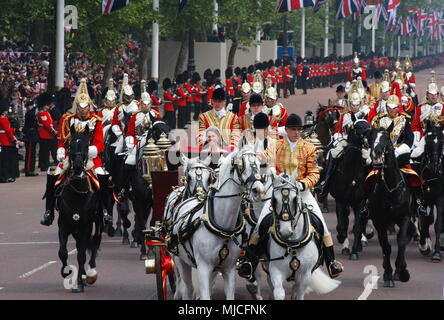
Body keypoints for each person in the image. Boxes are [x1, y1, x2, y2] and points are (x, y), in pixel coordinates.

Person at [238, 113, 344, 280]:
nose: (296, 132)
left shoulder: (309, 147)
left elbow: (315, 173)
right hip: (278, 192)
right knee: (260, 224)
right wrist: (262, 166)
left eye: (299, 129)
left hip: (302, 193)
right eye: (293, 129)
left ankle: (332, 262)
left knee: (321, 224)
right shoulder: (276, 146)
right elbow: (260, 160)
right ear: (286, 130)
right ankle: (249, 262)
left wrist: (303, 184)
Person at [40, 79, 111, 226]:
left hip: (91, 159)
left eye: (85, 107)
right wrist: (61, 150)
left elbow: (99, 143)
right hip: (70, 157)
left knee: (103, 178)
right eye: (80, 106)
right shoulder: (68, 119)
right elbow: (62, 139)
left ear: (89, 106)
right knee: (53, 175)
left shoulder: (96, 121)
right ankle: (49, 212)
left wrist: (92, 151)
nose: (83, 110)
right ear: (77, 106)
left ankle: (105, 211)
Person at [369, 95, 427, 216]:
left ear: (398, 108)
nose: (391, 110)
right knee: (369, 175)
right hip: (381, 155)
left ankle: (418, 202)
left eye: (394, 107)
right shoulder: (378, 120)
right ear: (386, 107)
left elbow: (409, 140)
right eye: (389, 107)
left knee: (413, 175)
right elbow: (373, 138)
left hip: (399, 155)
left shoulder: (404, 119)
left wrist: (398, 151)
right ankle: (366, 203)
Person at [0, 105, 23, 182]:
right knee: (5, 161)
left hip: (2, 140)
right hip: (5, 141)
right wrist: (14, 139)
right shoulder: (3, 119)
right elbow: (8, 131)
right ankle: (5, 177)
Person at [37, 92, 57, 172]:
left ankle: (45, 163)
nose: (48, 106)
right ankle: (43, 165)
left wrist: (57, 122)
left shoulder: (46, 113)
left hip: (47, 134)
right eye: (46, 105)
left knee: (46, 151)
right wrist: (53, 131)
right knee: (44, 151)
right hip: (44, 134)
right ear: (43, 105)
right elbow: (46, 124)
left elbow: (50, 122)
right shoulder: (41, 113)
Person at [23, 101, 39, 176]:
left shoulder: (32, 113)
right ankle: (28, 170)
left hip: (33, 134)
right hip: (30, 135)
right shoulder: (30, 113)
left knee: (32, 154)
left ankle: (31, 169)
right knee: (29, 154)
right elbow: (33, 124)